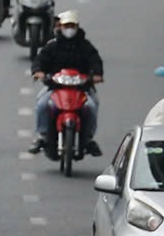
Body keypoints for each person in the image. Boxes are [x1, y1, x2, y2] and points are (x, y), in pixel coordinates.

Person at [29, 11, 103, 159]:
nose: (69, 29)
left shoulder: (85, 46)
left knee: (92, 107)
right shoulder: (52, 45)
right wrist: (38, 72)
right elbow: (40, 60)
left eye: (72, 25)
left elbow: (95, 60)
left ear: (77, 27)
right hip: (56, 87)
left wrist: (97, 74)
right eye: (66, 25)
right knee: (42, 105)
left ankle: (88, 139)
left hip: (81, 88)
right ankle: (43, 136)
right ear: (60, 27)